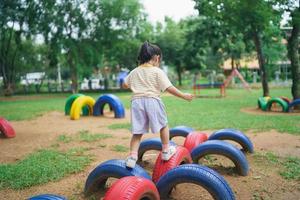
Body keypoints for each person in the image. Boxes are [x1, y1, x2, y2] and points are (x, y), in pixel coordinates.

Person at [123, 41, 194, 168]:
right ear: (156, 58)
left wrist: (137, 86)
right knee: (163, 125)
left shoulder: (134, 71)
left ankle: (132, 157)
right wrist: (183, 95)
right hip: (152, 100)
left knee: (137, 132)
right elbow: (169, 87)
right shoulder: (157, 71)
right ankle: (166, 151)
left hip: (137, 102)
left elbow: (125, 84)